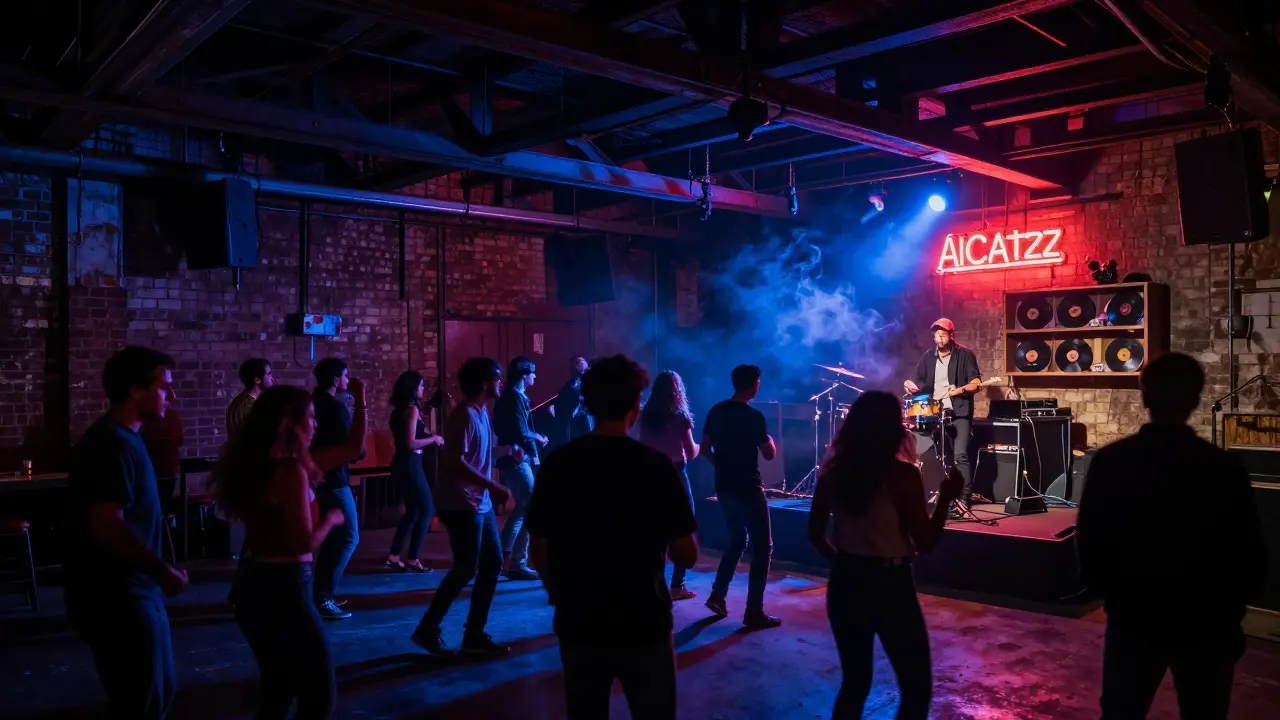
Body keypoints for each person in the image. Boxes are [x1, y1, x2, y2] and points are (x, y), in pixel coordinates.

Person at [1078, 353, 1267, 720]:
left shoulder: (1111, 461)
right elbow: (1248, 550)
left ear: (1144, 396)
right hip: (1206, 620)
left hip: (1134, 614)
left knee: (1121, 711)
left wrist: (1107, 592)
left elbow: (1089, 539)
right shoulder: (1223, 467)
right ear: (1196, 398)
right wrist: (1233, 614)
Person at [528, 355, 698, 720]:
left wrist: (559, 595)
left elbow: (538, 552)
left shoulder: (558, 465)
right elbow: (687, 554)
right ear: (636, 404)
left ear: (587, 402)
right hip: (644, 621)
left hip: (580, 619)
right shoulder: (656, 468)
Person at [210, 383, 366, 719]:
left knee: (278, 691)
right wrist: (331, 520)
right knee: (318, 696)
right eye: (310, 417)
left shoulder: (263, 463)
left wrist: (361, 401)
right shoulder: (290, 470)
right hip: (284, 587)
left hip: (254, 585)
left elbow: (353, 448)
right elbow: (301, 543)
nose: (317, 424)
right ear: (290, 422)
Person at [807, 392, 962, 720]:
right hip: (890, 584)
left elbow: (814, 534)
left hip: (847, 581)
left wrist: (846, 564)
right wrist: (946, 498)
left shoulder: (833, 474)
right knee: (916, 687)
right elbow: (927, 541)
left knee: (855, 683)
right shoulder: (902, 475)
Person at [63, 346, 189, 719]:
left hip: (134, 592)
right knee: (141, 702)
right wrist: (161, 571)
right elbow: (107, 526)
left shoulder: (126, 439)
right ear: (136, 389)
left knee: (155, 693)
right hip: (117, 597)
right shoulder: (112, 445)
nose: (171, 395)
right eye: (164, 387)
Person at [411, 357, 518, 656]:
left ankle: (473, 633)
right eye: (497, 377)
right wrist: (493, 485)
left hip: (477, 504)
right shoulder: (464, 416)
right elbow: (454, 461)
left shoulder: (482, 413)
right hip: (459, 503)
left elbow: (476, 452)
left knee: (492, 563)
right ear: (485, 383)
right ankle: (427, 629)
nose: (501, 383)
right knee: (466, 567)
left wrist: (506, 450)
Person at [702, 364, 782, 629]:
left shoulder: (716, 411)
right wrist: (769, 439)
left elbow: (703, 448)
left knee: (737, 540)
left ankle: (717, 595)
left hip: (724, 485)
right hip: (749, 486)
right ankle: (753, 613)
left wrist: (721, 466)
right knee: (763, 547)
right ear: (755, 384)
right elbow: (769, 454)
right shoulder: (754, 416)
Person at [903, 318, 981, 512]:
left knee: (960, 454)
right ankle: (938, 494)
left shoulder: (965, 354)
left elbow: (977, 383)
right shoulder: (928, 356)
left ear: (951, 335)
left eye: (943, 334)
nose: (939, 338)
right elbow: (918, 382)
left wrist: (961, 390)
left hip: (960, 411)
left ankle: (964, 498)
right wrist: (910, 385)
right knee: (935, 455)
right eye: (936, 335)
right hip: (935, 412)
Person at [310, 357, 365, 620]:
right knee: (348, 537)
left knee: (333, 538)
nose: (347, 379)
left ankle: (322, 593)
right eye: (345, 375)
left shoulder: (313, 402)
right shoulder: (334, 406)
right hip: (334, 479)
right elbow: (354, 448)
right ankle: (322, 596)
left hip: (319, 478)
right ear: (335, 379)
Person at [639, 370, 701, 601]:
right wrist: (700, 446)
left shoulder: (646, 414)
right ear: (677, 391)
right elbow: (691, 452)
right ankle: (677, 585)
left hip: (649, 473)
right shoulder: (680, 416)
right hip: (675, 473)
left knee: (654, 529)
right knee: (683, 525)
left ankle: (653, 583)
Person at [494, 356, 547, 581]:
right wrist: (540, 437)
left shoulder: (515, 397)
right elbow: (521, 431)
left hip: (520, 458)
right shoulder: (514, 397)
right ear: (524, 376)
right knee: (526, 507)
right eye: (532, 372)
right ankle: (509, 561)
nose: (535, 376)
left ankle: (514, 561)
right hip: (516, 459)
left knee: (525, 508)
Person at [386, 371, 443, 572]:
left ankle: (394, 556)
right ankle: (413, 559)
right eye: (420, 386)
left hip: (404, 463)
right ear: (412, 389)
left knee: (413, 511)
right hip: (410, 463)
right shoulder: (411, 410)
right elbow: (410, 443)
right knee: (426, 509)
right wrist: (434, 439)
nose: (422, 389)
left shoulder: (398, 410)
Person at [550, 356, 592, 451]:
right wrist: (553, 404)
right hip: (575, 421)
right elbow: (562, 396)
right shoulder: (571, 385)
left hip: (589, 418)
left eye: (581, 361)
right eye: (576, 363)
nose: (579, 363)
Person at [227, 358, 274, 440]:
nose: (272, 378)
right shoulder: (248, 406)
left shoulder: (245, 400)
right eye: (269, 374)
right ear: (257, 380)